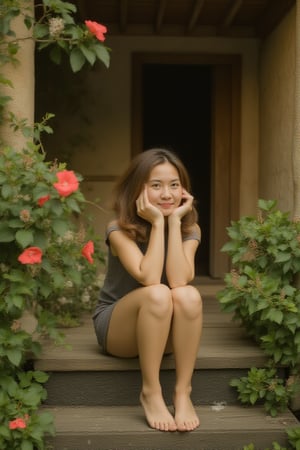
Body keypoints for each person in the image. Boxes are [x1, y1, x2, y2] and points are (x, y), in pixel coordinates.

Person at [93, 147, 203, 432]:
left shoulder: (190, 228)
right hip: (119, 328)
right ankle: (151, 392)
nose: (167, 194)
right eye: (156, 186)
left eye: (174, 185)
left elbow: (179, 280)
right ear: (137, 190)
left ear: (184, 191)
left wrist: (175, 222)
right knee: (158, 293)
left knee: (188, 295)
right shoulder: (118, 229)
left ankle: (182, 393)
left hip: (163, 329)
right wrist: (157, 223)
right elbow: (149, 277)